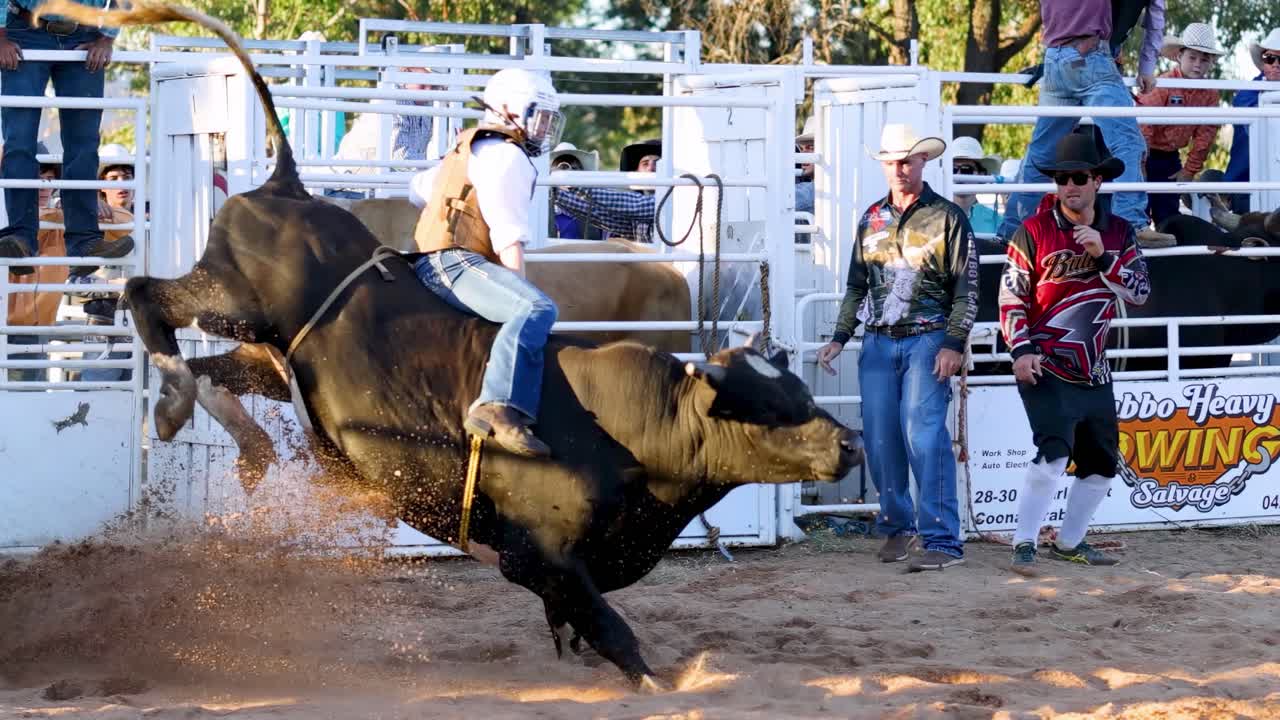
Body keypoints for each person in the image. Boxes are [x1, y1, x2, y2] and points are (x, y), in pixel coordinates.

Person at [815, 124, 979, 572]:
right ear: (884, 164)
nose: (900, 169)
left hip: (928, 339)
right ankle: (896, 525)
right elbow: (855, 285)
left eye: (907, 160)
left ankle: (942, 538)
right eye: (892, 161)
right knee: (883, 438)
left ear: (923, 162)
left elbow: (967, 288)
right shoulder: (870, 218)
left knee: (923, 435)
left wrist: (953, 342)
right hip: (879, 339)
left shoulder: (948, 217)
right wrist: (839, 336)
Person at [998, 133, 1150, 575]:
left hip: (1095, 368)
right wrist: (1021, 349)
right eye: (1063, 178)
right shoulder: (1033, 232)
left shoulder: (1120, 233)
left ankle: (1069, 542)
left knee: (1102, 462)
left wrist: (1104, 257)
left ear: (1097, 180)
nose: (1070, 186)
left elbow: (1139, 293)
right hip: (1044, 361)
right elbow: (1011, 298)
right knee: (1054, 452)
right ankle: (1023, 542)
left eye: (1079, 177)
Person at [407, 68, 563, 458]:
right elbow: (508, 237)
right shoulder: (507, 156)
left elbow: (418, 191)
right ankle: (499, 405)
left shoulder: (470, 145)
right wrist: (519, 291)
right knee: (536, 307)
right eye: (538, 116)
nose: (544, 127)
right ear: (508, 111)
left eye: (548, 119)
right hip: (453, 262)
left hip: (435, 258)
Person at [997, 0, 1159, 242]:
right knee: (1129, 144)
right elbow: (1153, 16)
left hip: (1054, 58)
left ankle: (1010, 231)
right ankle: (1132, 223)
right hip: (1089, 55)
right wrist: (1146, 66)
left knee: (1041, 153)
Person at [0, 0, 132, 277]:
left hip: (84, 34)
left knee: (84, 144)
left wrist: (106, 38)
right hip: (24, 29)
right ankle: (21, 239)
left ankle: (85, 242)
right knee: (19, 140)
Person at [1136, 22, 1224, 227]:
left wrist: (1189, 170)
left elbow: (1206, 135)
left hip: (1170, 159)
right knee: (1138, 208)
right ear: (1179, 57)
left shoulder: (1210, 94)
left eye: (1204, 60)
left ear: (1211, 63)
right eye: (1192, 57)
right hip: (1146, 154)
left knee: (1168, 214)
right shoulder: (1164, 84)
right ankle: (1136, 254)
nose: (1197, 64)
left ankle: (1167, 255)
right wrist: (1140, 162)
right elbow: (1144, 123)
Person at [68, 143, 136, 383]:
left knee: (139, 401)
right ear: (101, 187)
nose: (121, 184)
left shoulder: (150, 223)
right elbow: (72, 281)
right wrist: (116, 285)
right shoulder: (89, 230)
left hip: (143, 324)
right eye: (113, 177)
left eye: (126, 177)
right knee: (95, 395)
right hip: (104, 322)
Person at [6, 144, 68, 382]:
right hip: (17, 330)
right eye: (35, 177)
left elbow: (126, 226)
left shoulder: (60, 221)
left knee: (30, 400)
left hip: (37, 331)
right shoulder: (8, 217)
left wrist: (95, 203)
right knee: (22, 403)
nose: (43, 184)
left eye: (49, 177)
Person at [551, 139, 658, 243]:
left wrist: (573, 185)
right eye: (645, 163)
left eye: (658, 163)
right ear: (636, 171)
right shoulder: (636, 220)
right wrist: (555, 192)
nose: (651, 168)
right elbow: (600, 215)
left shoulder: (668, 199)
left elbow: (632, 205)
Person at [1223, 28, 1280, 214]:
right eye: (1270, 58)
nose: (1276, 64)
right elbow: (1263, 132)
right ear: (1264, 62)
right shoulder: (1246, 93)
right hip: (1246, 183)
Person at [949, 136, 1002, 236]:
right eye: (953, 170)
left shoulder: (997, 220)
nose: (959, 175)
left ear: (981, 175)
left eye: (966, 170)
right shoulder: (936, 215)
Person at [548, 142, 601, 240]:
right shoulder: (544, 209)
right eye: (562, 167)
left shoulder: (593, 208)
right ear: (551, 172)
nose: (568, 172)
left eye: (574, 167)